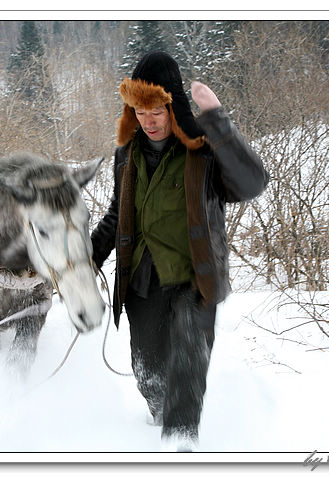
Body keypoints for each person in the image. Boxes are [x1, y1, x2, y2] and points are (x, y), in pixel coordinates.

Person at [91, 51, 269, 451]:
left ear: (174, 105)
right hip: (141, 283)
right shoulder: (127, 155)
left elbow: (253, 183)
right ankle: (159, 425)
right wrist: (85, 260)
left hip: (194, 280)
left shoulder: (204, 151)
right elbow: (117, 216)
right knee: (150, 376)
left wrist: (218, 121)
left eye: (157, 110)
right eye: (140, 112)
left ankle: (179, 450)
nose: (149, 121)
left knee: (187, 369)